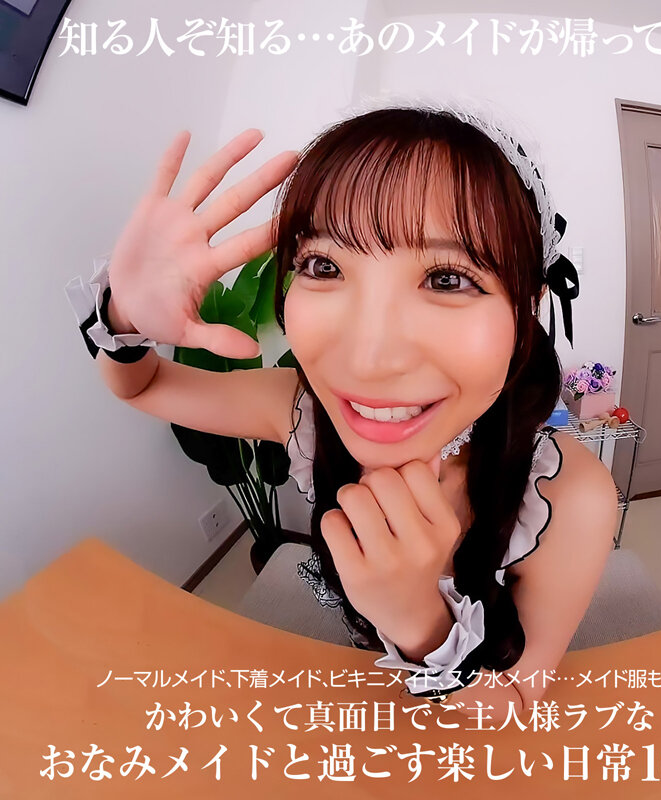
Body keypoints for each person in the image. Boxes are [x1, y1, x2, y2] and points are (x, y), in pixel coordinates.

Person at [65, 97, 619, 718]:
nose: (368, 358)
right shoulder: (299, 413)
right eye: (323, 265)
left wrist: (421, 624)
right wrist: (124, 319)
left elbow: (515, 702)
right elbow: (140, 386)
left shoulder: (568, 494)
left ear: (527, 309)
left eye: (448, 279)